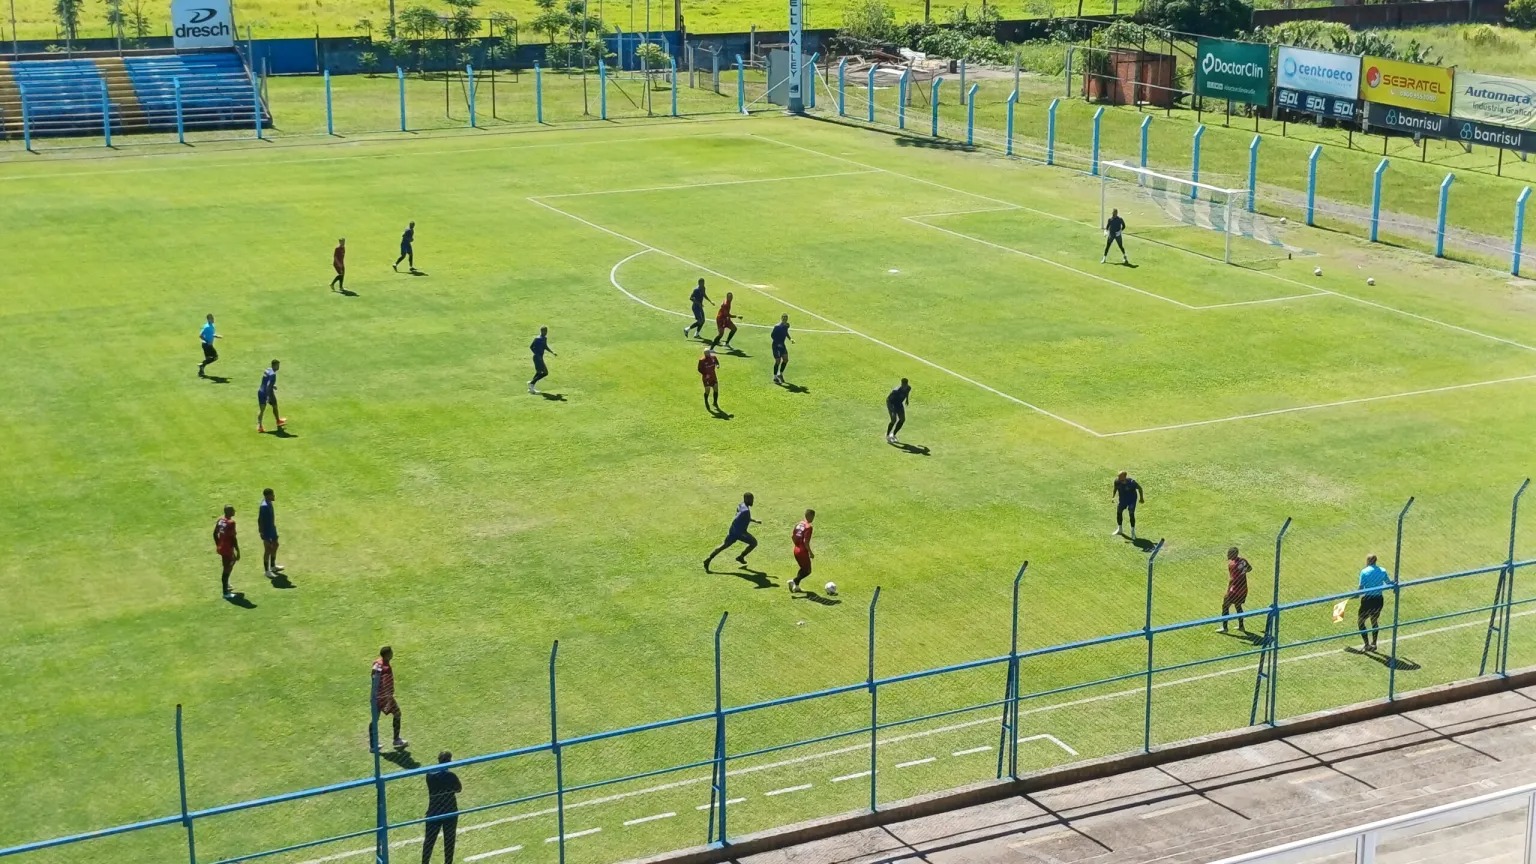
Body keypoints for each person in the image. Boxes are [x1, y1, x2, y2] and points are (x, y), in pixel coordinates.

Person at [703, 492, 759, 571]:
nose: (752, 501)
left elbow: (741, 516)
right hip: (740, 533)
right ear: (746, 499)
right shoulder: (746, 511)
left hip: (733, 531)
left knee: (723, 546)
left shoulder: (741, 505)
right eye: (751, 499)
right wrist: (739, 528)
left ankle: (708, 560)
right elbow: (740, 517)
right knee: (754, 543)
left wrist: (754, 520)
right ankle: (741, 557)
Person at [422, 751, 462, 864]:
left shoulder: (429, 774)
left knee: (429, 841)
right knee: (449, 840)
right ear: (448, 761)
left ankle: (424, 862)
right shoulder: (450, 776)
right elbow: (458, 789)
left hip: (433, 810)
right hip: (450, 810)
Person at [371, 646, 408, 750]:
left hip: (379, 697)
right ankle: (395, 740)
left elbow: (374, 673)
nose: (392, 654)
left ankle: (374, 744)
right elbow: (376, 677)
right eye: (391, 652)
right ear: (387, 655)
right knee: (396, 714)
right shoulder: (383, 666)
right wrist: (387, 697)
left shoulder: (379, 663)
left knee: (376, 719)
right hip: (384, 697)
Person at [1357, 555, 1395, 652]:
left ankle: (1367, 645)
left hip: (1368, 600)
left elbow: (1361, 588)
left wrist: (1355, 595)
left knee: (1361, 622)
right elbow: (1388, 582)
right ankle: (1374, 643)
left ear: (1368, 561)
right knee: (1374, 621)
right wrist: (1394, 583)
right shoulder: (1382, 570)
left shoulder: (1364, 572)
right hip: (1378, 600)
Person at [1220, 546, 1251, 632]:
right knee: (1238, 605)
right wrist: (1242, 572)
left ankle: (1224, 628)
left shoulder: (1232, 564)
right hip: (1243, 589)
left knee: (1225, 606)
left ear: (1233, 554)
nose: (1227, 555)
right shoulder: (1243, 561)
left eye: (1229, 553)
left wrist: (1228, 591)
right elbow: (1250, 569)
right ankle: (1241, 626)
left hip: (1235, 590)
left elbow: (1232, 579)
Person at [214, 505, 240, 599]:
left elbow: (214, 534)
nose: (234, 511)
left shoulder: (220, 520)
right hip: (228, 549)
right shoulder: (231, 523)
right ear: (229, 512)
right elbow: (233, 538)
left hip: (222, 548)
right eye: (233, 510)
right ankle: (225, 592)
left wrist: (219, 544)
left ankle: (227, 584)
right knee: (227, 569)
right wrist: (237, 550)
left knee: (229, 565)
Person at [258, 488, 284, 578]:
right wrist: (261, 532)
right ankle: (267, 571)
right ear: (268, 496)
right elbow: (260, 520)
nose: (274, 496)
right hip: (267, 531)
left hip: (272, 529)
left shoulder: (269, 503)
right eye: (272, 494)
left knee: (276, 545)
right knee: (268, 550)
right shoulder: (264, 506)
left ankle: (273, 566)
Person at [788, 509, 816, 593]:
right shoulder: (809, 527)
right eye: (813, 516)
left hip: (796, 549)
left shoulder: (798, 524)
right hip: (802, 552)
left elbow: (792, 537)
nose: (813, 518)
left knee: (803, 569)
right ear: (809, 516)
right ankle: (793, 581)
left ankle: (796, 587)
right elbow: (805, 542)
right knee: (808, 571)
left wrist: (797, 545)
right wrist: (810, 552)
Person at [1112, 471, 1144, 539]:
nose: (1118, 478)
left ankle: (1132, 532)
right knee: (1119, 512)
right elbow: (1115, 488)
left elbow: (1140, 488)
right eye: (1118, 476)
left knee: (1131, 513)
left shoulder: (1132, 482)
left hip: (1131, 500)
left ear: (1124, 477)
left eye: (1120, 477)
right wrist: (1113, 496)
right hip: (1123, 500)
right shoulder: (1117, 481)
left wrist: (1141, 498)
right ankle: (1119, 529)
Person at [256, 360, 284, 433]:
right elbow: (268, 386)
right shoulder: (273, 375)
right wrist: (268, 396)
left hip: (260, 391)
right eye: (278, 365)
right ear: (274, 365)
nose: (278, 367)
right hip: (267, 393)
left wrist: (273, 385)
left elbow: (265, 381)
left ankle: (260, 426)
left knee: (262, 410)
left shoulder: (267, 370)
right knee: (274, 405)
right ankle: (278, 421)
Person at [528, 327, 556, 394]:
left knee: (539, 372)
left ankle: (531, 386)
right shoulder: (537, 339)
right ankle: (531, 383)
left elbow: (545, 346)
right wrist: (537, 354)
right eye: (544, 331)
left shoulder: (544, 338)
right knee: (545, 372)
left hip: (540, 358)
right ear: (541, 331)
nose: (546, 333)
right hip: (537, 358)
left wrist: (552, 352)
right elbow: (531, 347)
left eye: (546, 331)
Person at [770, 315, 794, 385]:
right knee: (778, 361)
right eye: (783, 319)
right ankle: (775, 377)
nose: (785, 320)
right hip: (776, 346)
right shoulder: (777, 327)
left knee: (786, 359)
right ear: (781, 319)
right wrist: (778, 343)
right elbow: (772, 336)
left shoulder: (786, 326)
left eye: (786, 319)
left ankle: (780, 374)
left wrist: (790, 339)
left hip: (782, 345)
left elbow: (786, 332)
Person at [886, 378, 911, 443]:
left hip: (899, 404)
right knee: (893, 420)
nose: (904, 386)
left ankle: (893, 434)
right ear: (901, 384)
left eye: (905, 385)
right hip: (892, 404)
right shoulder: (896, 391)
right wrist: (892, 410)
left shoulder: (908, 388)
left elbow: (907, 393)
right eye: (903, 385)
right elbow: (888, 400)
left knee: (902, 419)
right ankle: (888, 435)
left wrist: (907, 400)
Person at [198, 314, 222, 378]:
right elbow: (200, 335)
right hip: (206, 345)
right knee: (215, 357)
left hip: (208, 344)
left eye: (213, 318)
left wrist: (216, 336)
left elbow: (211, 334)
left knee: (208, 359)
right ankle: (202, 365)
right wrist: (207, 341)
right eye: (212, 319)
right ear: (208, 319)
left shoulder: (212, 326)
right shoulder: (206, 327)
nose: (213, 320)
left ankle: (201, 371)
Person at [698, 347, 721, 413]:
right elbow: (699, 369)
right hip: (706, 378)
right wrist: (705, 374)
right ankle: (706, 400)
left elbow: (717, 362)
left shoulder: (714, 358)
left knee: (716, 389)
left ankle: (715, 402)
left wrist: (717, 365)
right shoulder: (702, 360)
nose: (708, 354)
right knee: (707, 390)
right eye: (707, 353)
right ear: (704, 354)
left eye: (709, 353)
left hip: (713, 376)